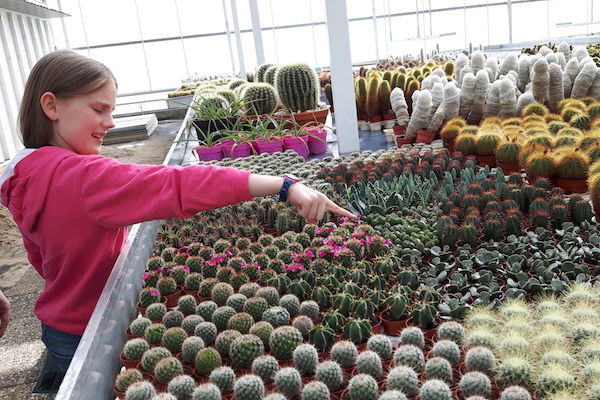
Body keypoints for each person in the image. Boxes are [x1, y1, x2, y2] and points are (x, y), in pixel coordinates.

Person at [0, 50, 354, 392]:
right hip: (91, 328)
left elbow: (40, 257)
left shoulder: (20, 171)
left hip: (57, 327)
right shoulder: (83, 177)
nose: (110, 123)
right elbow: (177, 185)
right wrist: (283, 185)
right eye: (99, 109)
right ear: (51, 106)